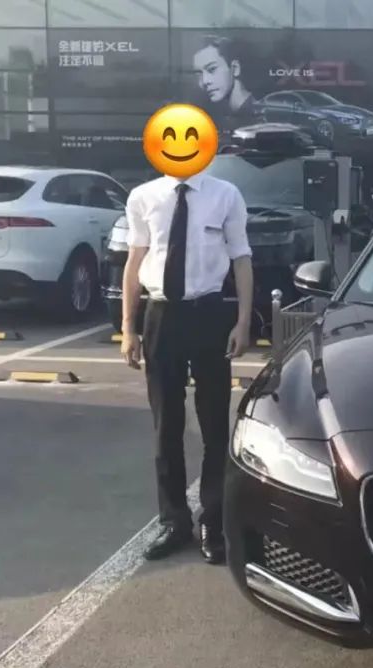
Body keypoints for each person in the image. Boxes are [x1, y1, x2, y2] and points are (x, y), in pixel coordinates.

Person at [119, 166, 254, 564]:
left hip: (209, 313)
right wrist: (128, 327)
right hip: (161, 316)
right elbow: (134, 262)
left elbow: (242, 260)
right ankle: (174, 521)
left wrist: (243, 322)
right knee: (167, 426)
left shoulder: (225, 194)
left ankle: (213, 522)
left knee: (214, 425)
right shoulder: (143, 196)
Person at [192, 35, 260, 131]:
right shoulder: (224, 117)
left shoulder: (257, 117)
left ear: (235, 68)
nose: (204, 81)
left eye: (212, 69)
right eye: (199, 74)